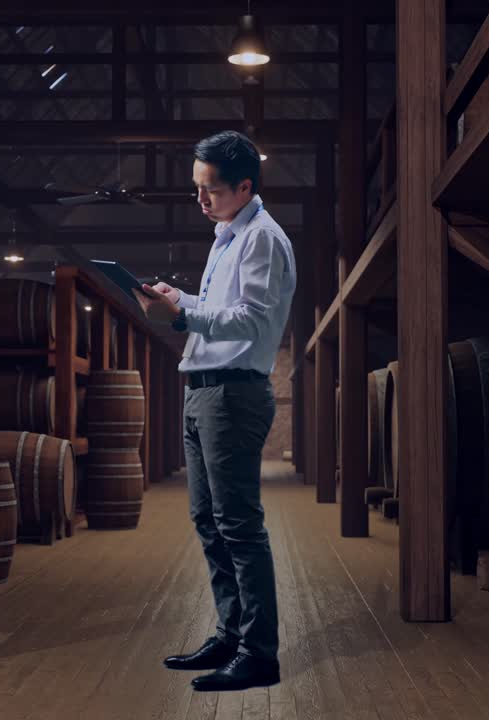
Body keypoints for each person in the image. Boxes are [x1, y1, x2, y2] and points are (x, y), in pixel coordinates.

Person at [133, 130, 296, 692]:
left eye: (211, 190)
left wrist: (183, 318)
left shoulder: (262, 239)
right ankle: (231, 634)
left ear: (244, 186)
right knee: (209, 521)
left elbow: (250, 320)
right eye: (196, 188)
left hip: (232, 393)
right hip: (202, 388)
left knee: (239, 526)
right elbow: (221, 310)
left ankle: (259, 652)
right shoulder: (226, 236)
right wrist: (179, 300)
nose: (200, 200)